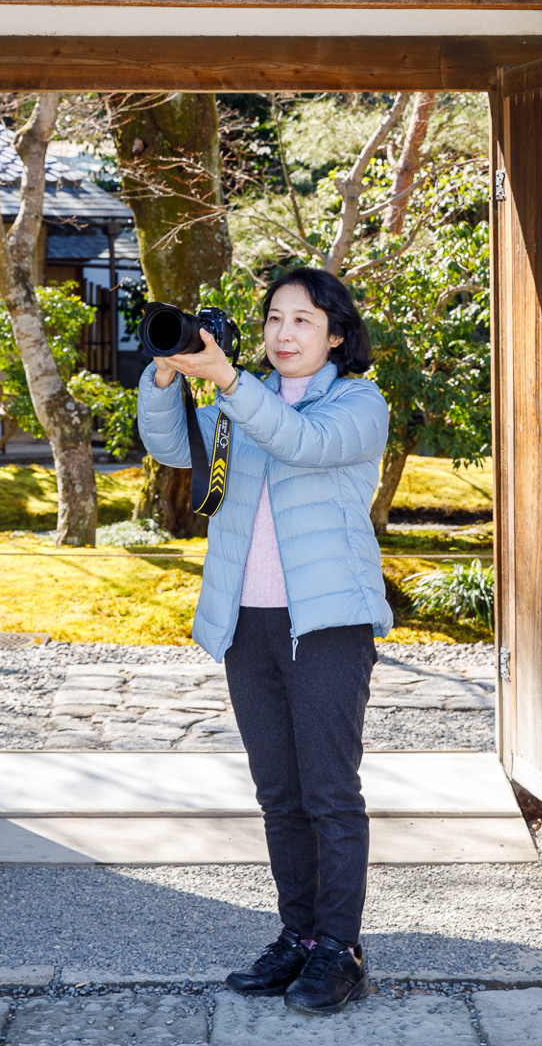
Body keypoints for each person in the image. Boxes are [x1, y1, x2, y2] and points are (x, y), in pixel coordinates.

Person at [137, 267, 390, 1014]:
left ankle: (340, 949)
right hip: (247, 622)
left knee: (329, 792)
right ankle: (300, 939)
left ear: (336, 335)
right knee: (279, 793)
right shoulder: (239, 401)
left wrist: (227, 381)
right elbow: (170, 449)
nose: (284, 333)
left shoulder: (358, 404)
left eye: (303, 320)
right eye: (275, 318)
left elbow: (301, 443)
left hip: (328, 623)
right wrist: (166, 373)